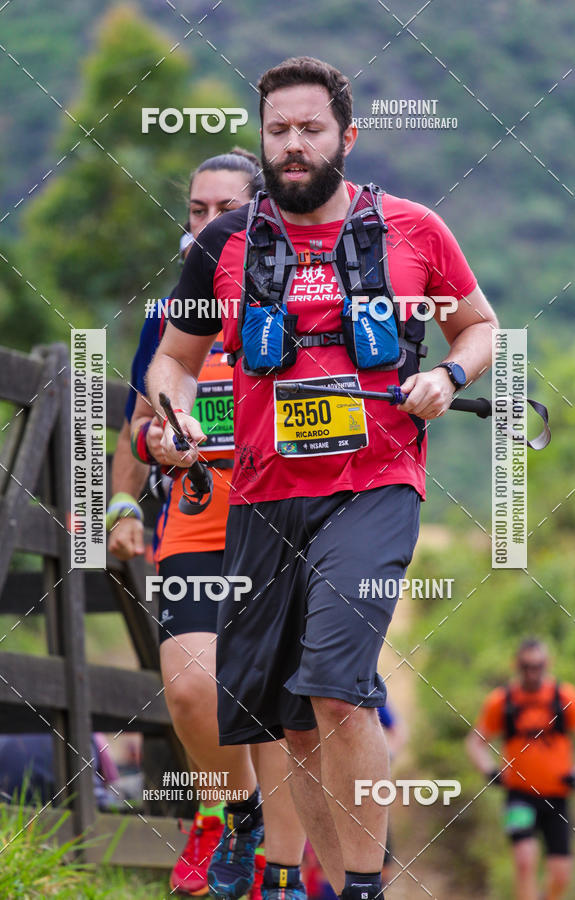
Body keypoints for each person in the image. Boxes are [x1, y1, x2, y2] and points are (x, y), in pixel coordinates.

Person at [147, 55, 498, 900]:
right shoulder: (227, 244)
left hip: (376, 485)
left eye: (310, 129)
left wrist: (447, 379)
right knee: (289, 718)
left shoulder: (414, 229)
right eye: (278, 132)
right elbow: (174, 360)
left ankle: (370, 889)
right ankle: (330, 886)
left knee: (336, 691)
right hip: (263, 500)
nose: (293, 146)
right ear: (262, 139)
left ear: (347, 134)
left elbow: (479, 326)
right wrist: (176, 412)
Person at [106, 149, 305, 898]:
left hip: (287, 520)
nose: (204, 224)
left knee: (283, 703)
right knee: (193, 689)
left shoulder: (295, 292)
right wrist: (127, 499)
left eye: (222, 209)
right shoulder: (172, 314)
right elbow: (139, 422)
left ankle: (281, 872)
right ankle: (229, 814)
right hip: (196, 514)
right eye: (194, 210)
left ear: (258, 213)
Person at [466, 638, 575, 900]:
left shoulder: (564, 697)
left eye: (537, 666)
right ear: (517, 665)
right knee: (524, 860)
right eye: (526, 666)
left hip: (557, 797)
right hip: (519, 796)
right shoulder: (501, 701)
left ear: (546, 664)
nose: (532, 672)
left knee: (561, 873)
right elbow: (475, 742)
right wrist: (490, 771)